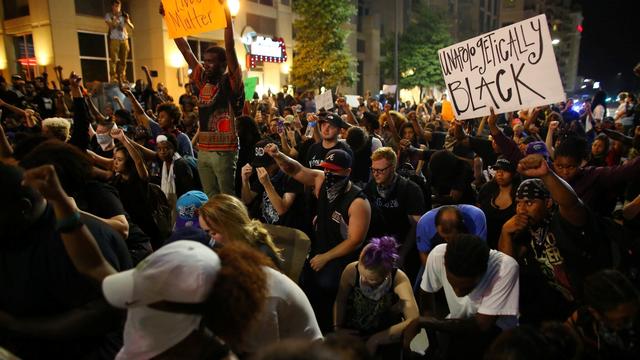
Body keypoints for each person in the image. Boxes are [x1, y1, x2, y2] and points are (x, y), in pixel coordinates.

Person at [0, 163, 132, 359]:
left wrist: (17, 326)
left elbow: (105, 314)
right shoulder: (11, 231)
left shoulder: (84, 238)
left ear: (23, 207)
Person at [265, 144, 371, 333]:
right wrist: (279, 155)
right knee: (307, 286)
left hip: (341, 259)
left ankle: (333, 332)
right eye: (326, 169)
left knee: (327, 286)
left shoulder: (358, 202)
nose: (328, 173)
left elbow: (355, 241)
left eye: (334, 171)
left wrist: (326, 257)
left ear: (348, 172)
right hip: (319, 249)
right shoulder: (321, 179)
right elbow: (295, 169)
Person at [499, 155, 611, 324]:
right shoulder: (526, 230)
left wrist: (547, 175)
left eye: (529, 203)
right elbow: (509, 270)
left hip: (597, 303)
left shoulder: (563, 222)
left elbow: (572, 204)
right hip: (558, 308)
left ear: (548, 203)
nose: (521, 209)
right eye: (519, 203)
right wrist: (505, 232)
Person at [161, 1, 244, 197]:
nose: (206, 65)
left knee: (227, 200)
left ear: (224, 64)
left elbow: (230, 48)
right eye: (204, 61)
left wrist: (226, 14)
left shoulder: (232, 82)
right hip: (204, 151)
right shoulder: (202, 80)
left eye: (211, 61)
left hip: (224, 151)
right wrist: (168, 19)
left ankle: (232, 228)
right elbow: (186, 50)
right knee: (212, 199)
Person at [404, 234, 519, 359]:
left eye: (466, 287)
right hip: (457, 326)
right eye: (452, 284)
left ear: (482, 273)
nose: (458, 292)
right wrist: (433, 344)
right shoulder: (438, 255)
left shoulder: (506, 268)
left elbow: (481, 325)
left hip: (496, 338)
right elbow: (427, 300)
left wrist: (426, 322)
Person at [333, 236, 419, 356]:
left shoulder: (398, 278)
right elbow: (340, 300)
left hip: (385, 335)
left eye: (371, 279)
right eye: (362, 275)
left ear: (387, 273)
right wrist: (337, 328)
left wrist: (376, 339)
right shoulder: (352, 270)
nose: (364, 280)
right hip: (354, 333)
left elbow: (414, 320)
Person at [363, 147, 425, 280]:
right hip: (377, 246)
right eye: (373, 170)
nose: (376, 174)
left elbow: (415, 227)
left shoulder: (410, 190)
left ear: (392, 168)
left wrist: (402, 254)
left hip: (402, 247)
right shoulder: (371, 187)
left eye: (380, 170)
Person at [566, 269, 639, 360]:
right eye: (624, 319)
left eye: (635, 314)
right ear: (595, 313)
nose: (631, 323)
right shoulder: (579, 326)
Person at [198, 193, 283, 268]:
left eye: (212, 232)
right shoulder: (223, 248)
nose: (208, 238)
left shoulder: (261, 257)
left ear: (232, 228)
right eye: (204, 231)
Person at [241, 140, 304, 228]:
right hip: (265, 228)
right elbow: (247, 200)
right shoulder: (263, 175)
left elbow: (282, 210)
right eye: (259, 164)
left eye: (266, 164)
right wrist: (245, 181)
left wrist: (267, 184)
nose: (262, 167)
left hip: (286, 230)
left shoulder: (291, 177)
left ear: (276, 161)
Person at [477, 158, 520, 249]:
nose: (500, 174)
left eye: (505, 170)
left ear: (514, 173)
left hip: (509, 245)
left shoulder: (520, 194)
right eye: (497, 170)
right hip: (484, 242)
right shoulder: (487, 189)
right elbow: (478, 213)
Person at [105, 0, 133, 82]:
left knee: (123, 60)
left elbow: (132, 27)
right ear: (112, 6)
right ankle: (113, 77)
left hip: (124, 39)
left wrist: (127, 20)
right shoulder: (109, 15)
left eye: (119, 6)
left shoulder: (123, 16)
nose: (118, 8)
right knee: (114, 59)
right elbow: (112, 26)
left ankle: (122, 76)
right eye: (116, 6)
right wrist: (116, 17)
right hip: (115, 39)